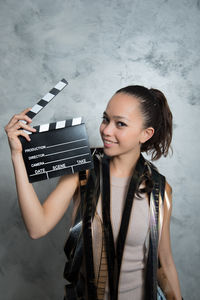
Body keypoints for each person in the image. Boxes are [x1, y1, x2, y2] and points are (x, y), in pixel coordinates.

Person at [5, 85, 182, 300]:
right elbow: (37, 227)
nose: (106, 130)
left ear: (146, 134)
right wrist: (17, 156)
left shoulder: (160, 190)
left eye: (121, 124)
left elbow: (164, 262)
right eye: (105, 119)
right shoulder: (83, 172)